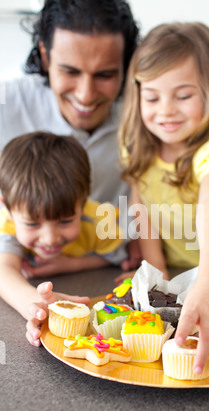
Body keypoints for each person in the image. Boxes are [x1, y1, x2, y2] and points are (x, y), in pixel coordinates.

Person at [118, 23, 209, 376]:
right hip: (175, 271)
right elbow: (143, 211)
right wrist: (156, 278)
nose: (166, 110)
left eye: (183, 96)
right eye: (153, 97)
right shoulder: (138, 148)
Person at [0, 0, 141, 271]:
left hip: (104, 265)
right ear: (45, 54)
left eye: (105, 74)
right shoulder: (9, 103)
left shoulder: (148, 111)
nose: (85, 95)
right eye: (70, 71)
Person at [0, 132, 126, 345]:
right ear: (8, 209)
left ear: (82, 205)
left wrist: (71, 264)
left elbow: (117, 257)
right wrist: (35, 305)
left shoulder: (99, 221)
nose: (49, 239)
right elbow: (4, 271)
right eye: (33, 224)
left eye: (66, 221)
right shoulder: (8, 223)